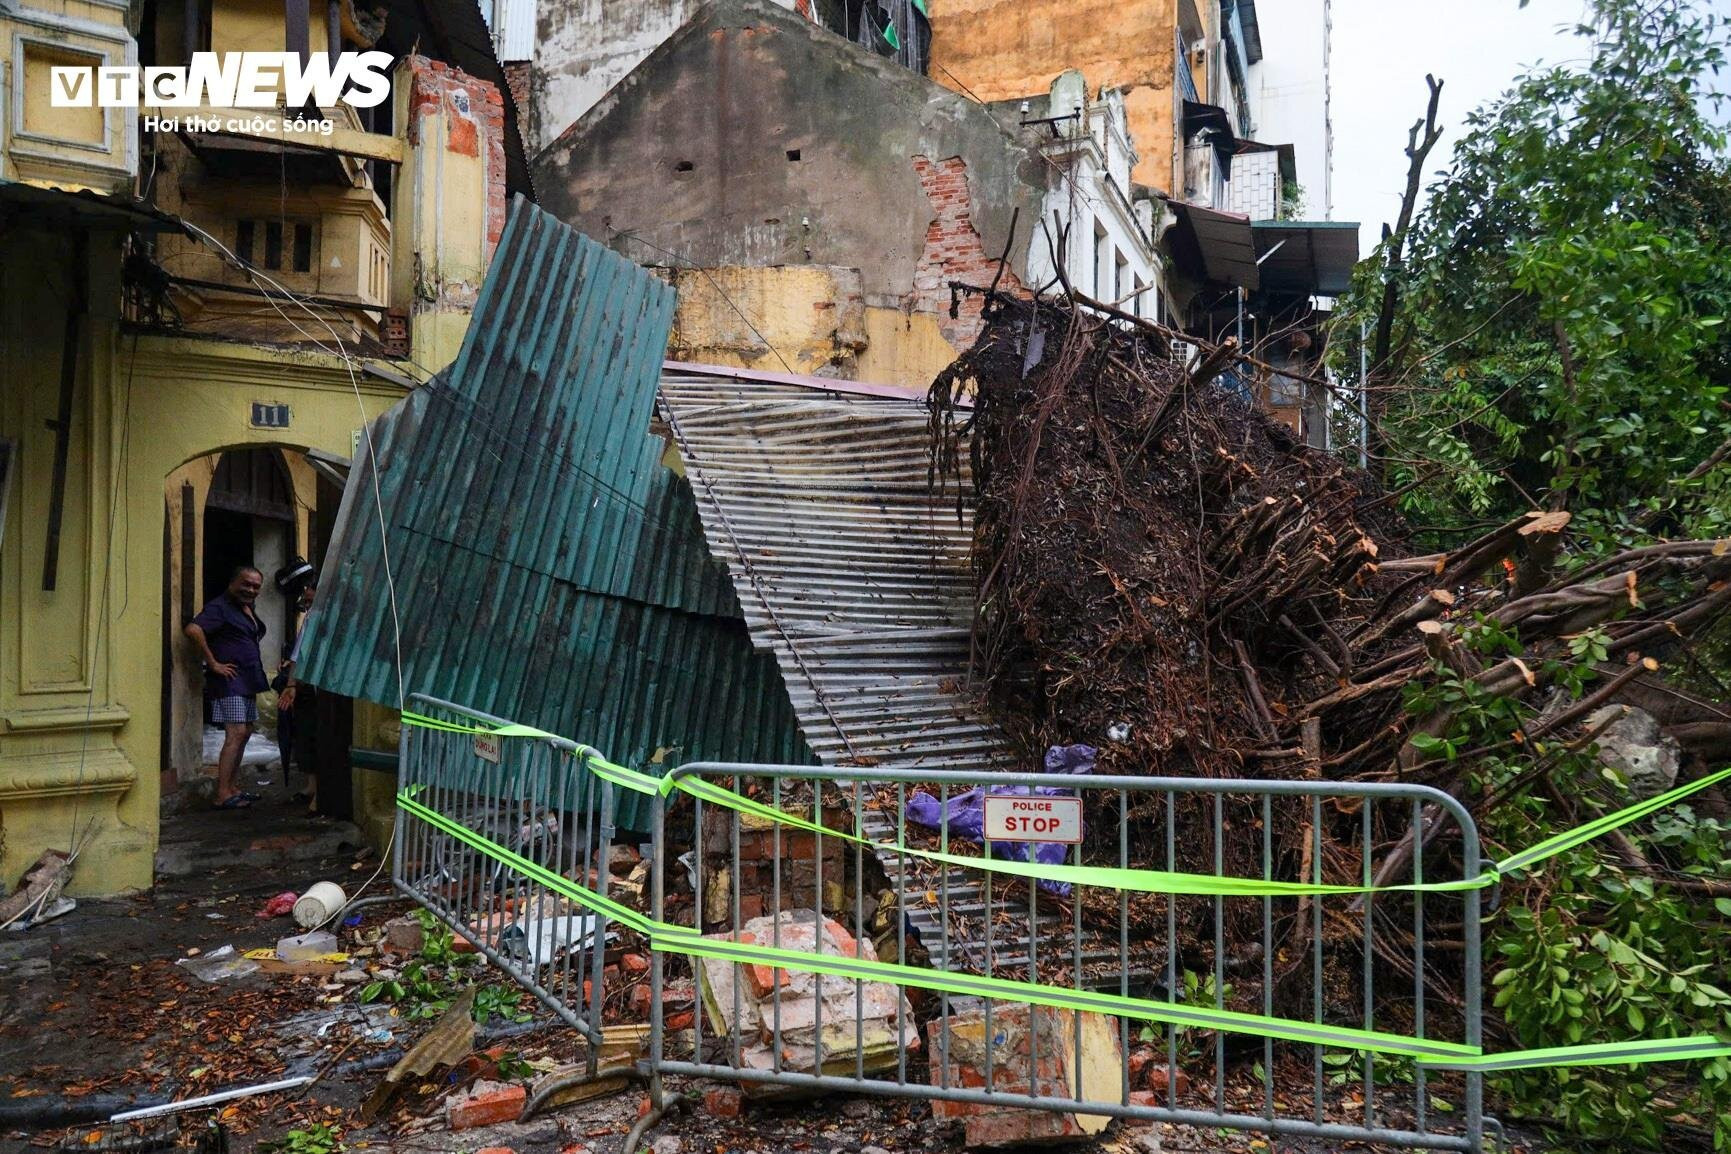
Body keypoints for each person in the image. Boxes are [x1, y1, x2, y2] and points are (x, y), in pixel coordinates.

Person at [185, 565, 269, 809]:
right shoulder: (220, 607)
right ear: (233, 582)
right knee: (236, 733)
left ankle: (233, 787)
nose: (251, 589)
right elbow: (193, 629)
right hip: (229, 679)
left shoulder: (246, 608)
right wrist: (213, 663)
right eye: (246, 584)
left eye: (255, 586)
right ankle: (222, 793)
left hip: (248, 678)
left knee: (246, 732)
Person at [273, 557, 319, 814]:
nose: (306, 600)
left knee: (315, 736)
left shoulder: (317, 618)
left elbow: (300, 656)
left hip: (312, 686)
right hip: (307, 686)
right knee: (305, 735)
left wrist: (291, 685)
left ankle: (318, 794)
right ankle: (312, 786)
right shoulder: (313, 616)